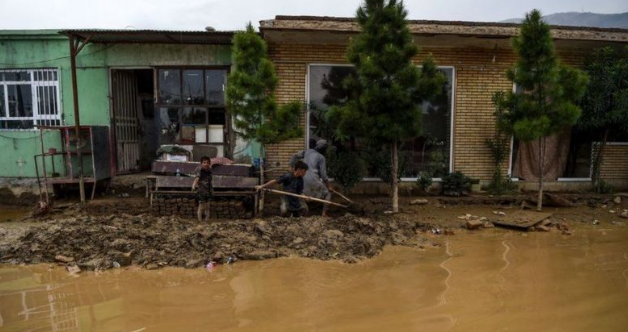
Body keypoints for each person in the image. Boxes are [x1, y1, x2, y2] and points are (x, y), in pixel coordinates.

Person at [289, 139, 332, 217]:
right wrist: (329, 186)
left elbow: (295, 155)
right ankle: (324, 214)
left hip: (302, 179)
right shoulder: (321, 157)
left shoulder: (307, 152)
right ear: (324, 149)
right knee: (328, 193)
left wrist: (292, 166)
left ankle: (301, 209)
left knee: (301, 193)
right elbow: (323, 175)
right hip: (314, 180)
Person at [192, 156, 213, 222]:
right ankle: (200, 221)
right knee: (201, 207)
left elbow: (210, 181)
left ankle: (206, 221)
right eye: (204, 162)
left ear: (209, 163)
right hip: (202, 191)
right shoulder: (200, 170)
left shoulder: (209, 170)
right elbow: (197, 178)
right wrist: (193, 185)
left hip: (209, 190)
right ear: (201, 163)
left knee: (208, 207)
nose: (206, 164)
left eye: (207, 162)